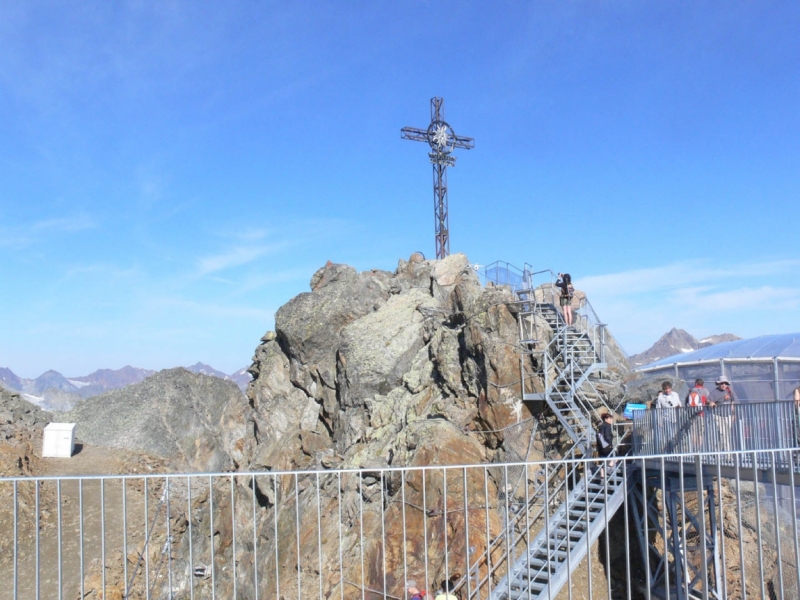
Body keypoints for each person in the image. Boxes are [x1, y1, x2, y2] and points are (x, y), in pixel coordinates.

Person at [708, 376, 736, 451]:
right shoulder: (714, 392)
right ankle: (728, 454)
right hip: (718, 415)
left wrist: (733, 414)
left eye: (725, 383)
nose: (724, 385)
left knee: (726, 434)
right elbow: (708, 400)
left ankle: (716, 451)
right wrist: (711, 402)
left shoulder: (729, 391)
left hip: (728, 415)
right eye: (722, 383)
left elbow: (732, 403)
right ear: (719, 384)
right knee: (723, 434)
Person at [654, 381, 682, 452]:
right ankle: (671, 451)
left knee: (676, 434)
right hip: (666, 418)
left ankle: (675, 449)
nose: (668, 390)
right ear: (664, 389)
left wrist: (679, 406)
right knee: (669, 435)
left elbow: (679, 403)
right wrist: (660, 421)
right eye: (666, 389)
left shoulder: (675, 394)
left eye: (669, 388)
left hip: (676, 417)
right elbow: (658, 409)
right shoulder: (660, 397)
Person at [685, 378, 711, 451]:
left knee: (693, 431)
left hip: (692, 414)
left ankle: (694, 448)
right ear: (703, 384)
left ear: (695, 384)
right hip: (702, 413)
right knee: (700, 432)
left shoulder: (691, 390)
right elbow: (708, 401)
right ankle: (699, 449)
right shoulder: (705, 391)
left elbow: (686, 402)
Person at [596, 413, 615, 478]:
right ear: (606, 419)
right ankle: (609, 468)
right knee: (617, 456)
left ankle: (602, 477)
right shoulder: (607, 426)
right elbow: (607, 436)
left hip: (601, 447)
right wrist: (610, 444)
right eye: (610, 419)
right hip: (606, 446)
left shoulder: (601, 426)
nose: (611, 420)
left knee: (602, 461)